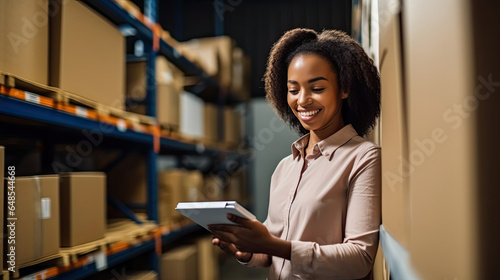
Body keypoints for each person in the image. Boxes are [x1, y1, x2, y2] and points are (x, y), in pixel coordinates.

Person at [209, 28, 381, 280]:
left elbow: (359, 259)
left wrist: (271, 245)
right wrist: (244, 250)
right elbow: (270, 251)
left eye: (317, 88)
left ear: (344, 88)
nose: (303, 101)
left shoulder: (363, 157)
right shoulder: (284, 167)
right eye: (293, 89)